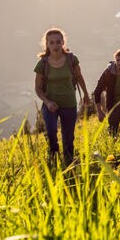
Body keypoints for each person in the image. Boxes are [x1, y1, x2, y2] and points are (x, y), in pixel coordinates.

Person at [33, 27, 90, 166]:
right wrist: (47, 102)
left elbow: (80, 77)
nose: (55, 45)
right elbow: (38, 88)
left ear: (63, 42)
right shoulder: (42, 64)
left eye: (58, 42)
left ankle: (69, 163)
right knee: (51, 132)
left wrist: (86, 94)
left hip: (69, 103)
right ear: (46, 44)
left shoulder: (71, 59)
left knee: (68, 137)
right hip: (50, 105)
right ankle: (53, 156)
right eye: (51, 42)